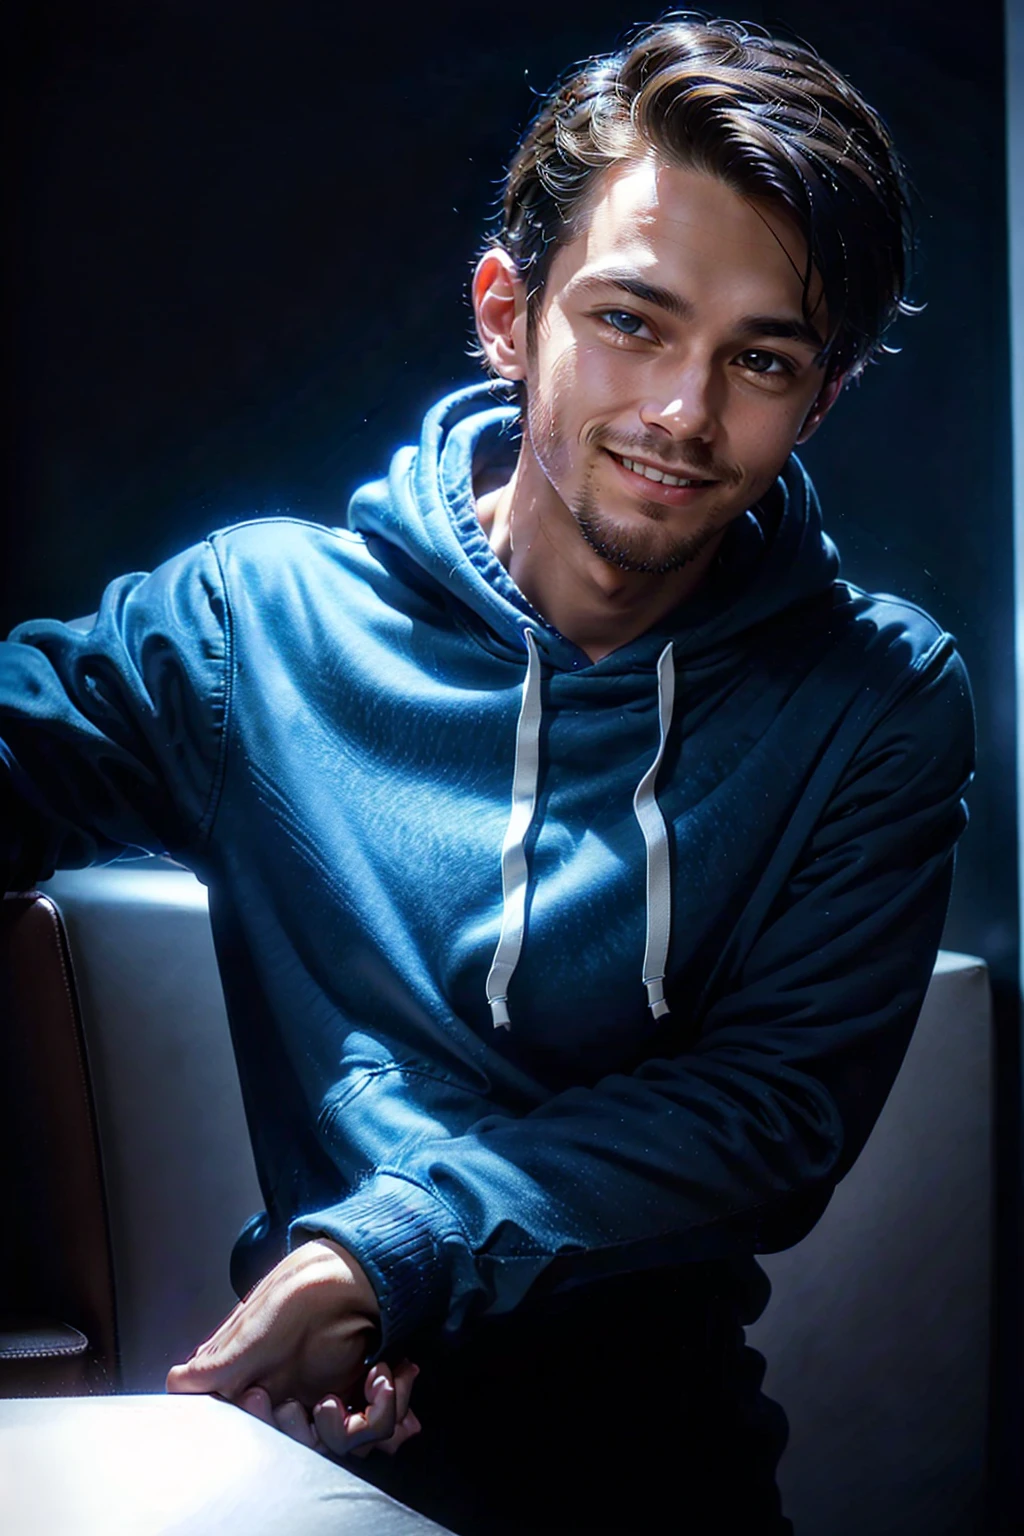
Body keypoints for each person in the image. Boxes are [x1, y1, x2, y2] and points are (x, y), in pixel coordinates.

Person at [0, 14, 974, 1534]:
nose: (684, 415)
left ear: (824, 394)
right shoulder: (251, 626)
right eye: (634, 321)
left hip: (666, 1477)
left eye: (762, 359)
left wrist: (381, 1254)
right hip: (298, 1458)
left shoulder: (876, 698)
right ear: (507, 313)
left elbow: (768, 1113)